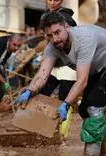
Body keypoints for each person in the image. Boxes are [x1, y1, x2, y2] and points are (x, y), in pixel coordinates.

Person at [14, 12, 106, 156]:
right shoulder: (52, 47)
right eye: (49, 36)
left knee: (94, 105)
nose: (55, 39)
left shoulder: (83, 39)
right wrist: (29, 91)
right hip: (97, 68)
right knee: (84, 109)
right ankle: (102, 153)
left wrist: (65, 104)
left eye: (57, 32)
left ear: (66, 27)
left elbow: (82, 81)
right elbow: (42, 75)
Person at [39, 0, 77, 142]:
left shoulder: (66, 19)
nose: (52, 2)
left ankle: (62, 136)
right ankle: (41, 129)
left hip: (68, 66)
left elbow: (70, 44)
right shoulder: (44, 18)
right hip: (53, 66)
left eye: (56, 0)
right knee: (42, 95)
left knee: (64, 101)